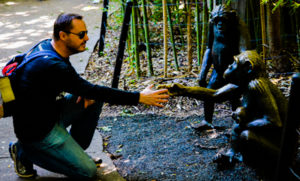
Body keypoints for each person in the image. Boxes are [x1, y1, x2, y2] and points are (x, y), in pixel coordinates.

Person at [8, 13, 169, 180]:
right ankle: (23, 150)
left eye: (85, 33)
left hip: (49, 113)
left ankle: (68, 154)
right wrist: (139, 97)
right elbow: (94, 90)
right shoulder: (51, 65)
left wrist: (82, 91)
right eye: (81, 35)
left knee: (92, 99)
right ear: (63, 35)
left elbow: (82, 88)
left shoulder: (48, 46)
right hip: (38, 132)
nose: (86, 38)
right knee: (87, 171)